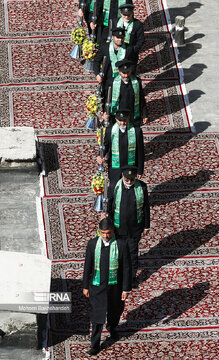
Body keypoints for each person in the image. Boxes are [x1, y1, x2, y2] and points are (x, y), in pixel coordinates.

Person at [83, 217, 132, 355]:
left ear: (113, 231)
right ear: (99, 232)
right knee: (97, 316)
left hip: (115, 287)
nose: (106, 236)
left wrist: (126, 288)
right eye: (103, 233)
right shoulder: (92, 244)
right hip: (97, 287)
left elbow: (127, 268)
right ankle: (95, 345)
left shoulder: (122, 245)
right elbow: (88, 266)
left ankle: (112, 327)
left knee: (115, 311)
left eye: (108, 233)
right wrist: (85, 286)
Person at [107, 165, 150, 287]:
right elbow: (109, 206)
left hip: (134, 229)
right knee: (118, 254)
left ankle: (130, 279)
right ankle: (118, 277)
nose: (129, 182)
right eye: (127, 180)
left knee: (132, 255)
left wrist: (147, 226)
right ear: (122, 176)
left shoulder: (141, 187)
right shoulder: (115, 186)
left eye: (132, 180)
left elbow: (146, 207)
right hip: (118, 228)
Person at [97, 108, 144, 191]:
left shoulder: (137, 131)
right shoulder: (110, 130)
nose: (122, 123)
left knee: (129, 188)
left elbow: (140, 152)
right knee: (114, 188)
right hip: (115, 166)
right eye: (120, 121)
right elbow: (105, 145)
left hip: (130, 165)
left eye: (125, 120)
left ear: (128, 118)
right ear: (116, 119)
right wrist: (100, 155)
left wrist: (140, 170)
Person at [93, 27, 136, 108]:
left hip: (123, 78)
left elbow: (133, 64)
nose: (120, 40)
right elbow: (96, 61)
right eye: (118, 38)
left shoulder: (129, 49)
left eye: (122, 38)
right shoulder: (105, 47)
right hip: (107, 78)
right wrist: (97, 74)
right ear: (113, 37)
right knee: (106, 96)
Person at [104, 59, 148, 127]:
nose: (126, 75)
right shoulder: (111, 82)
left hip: (132, 113)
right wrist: (105, 112)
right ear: (119, 71)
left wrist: (145, 114)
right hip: (116, 113)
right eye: (123, 73)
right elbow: (106, 98)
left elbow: (141, 98)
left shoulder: (137, 82)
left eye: (128, 72)